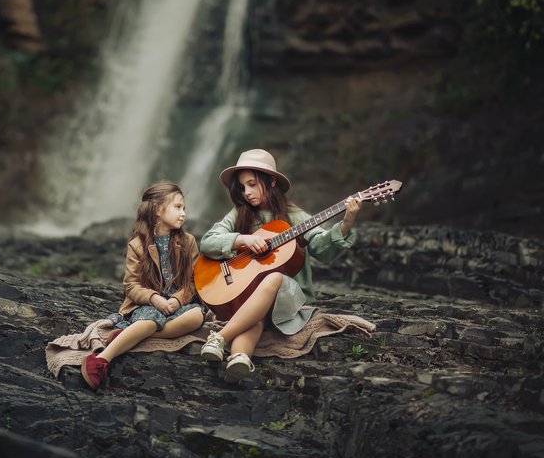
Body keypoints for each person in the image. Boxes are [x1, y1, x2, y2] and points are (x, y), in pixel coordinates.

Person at [199, 149, 363, 383]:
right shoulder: (239, 214)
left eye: (253, 184)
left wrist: (346, 223)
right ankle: (239, 359)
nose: (247, 193)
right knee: (255, 319)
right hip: (249, 297)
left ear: (271, 181)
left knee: (273, 278)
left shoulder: (295, 216)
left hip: (287, 297)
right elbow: (207, 242)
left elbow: (321, 249)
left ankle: (219, 338)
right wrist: (242, 239)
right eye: (242, 187)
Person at [81, 181, 205, 391]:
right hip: (147, 306)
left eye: (184, 208)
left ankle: (129, 335)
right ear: (157, 210)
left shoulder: (189, 242)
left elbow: (194, 281)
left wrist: (177, 299)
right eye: (177, 207)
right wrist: (154, 298)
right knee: (150, 320)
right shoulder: (137, 245)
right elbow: (131, 285)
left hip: (177, 305)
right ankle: (101, 359)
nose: (183, 213)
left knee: (197, 317)